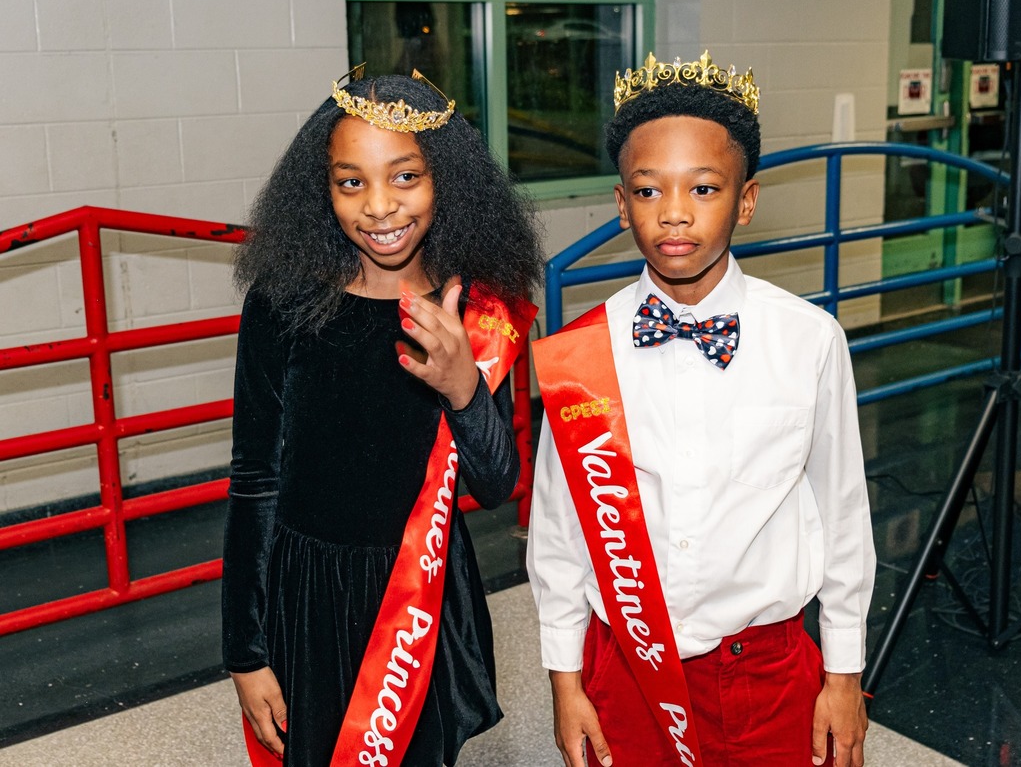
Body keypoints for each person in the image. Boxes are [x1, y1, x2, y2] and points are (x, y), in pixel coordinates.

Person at [526, 50, 876, 767]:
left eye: (705, 188)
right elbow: (558, 535)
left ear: (745, 200)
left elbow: (842, 514)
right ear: (622, 205)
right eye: (649, 192)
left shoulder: (809, 340)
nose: (675, 213)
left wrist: (844, 673)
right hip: (625, 664)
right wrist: (566, 681)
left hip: (769, 669)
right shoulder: (579, 355)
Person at [222, 67, 544, 767]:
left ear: (447, 181)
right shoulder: (282, 305)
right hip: (305, 597)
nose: (378, 207)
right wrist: (244, 654)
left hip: (421, 599)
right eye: (350, 182)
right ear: (322, 191)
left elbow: (496, 485)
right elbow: (254, 480)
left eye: (405, 177)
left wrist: (464, 388)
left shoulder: (474, 309)